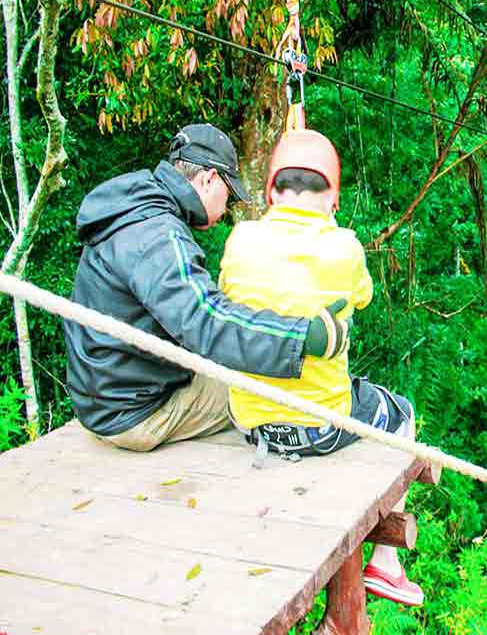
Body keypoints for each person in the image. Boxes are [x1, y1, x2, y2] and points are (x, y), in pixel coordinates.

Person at [218, 129, 424, 607]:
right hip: (319, 429)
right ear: (332, 196)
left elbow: (229, 290)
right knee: (401, 413)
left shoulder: (241, 238)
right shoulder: (345, 247)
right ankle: (386, 567)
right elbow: (363, 298)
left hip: (251, 425)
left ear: (271, 191)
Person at [63, 123, 350, 453]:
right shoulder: (157, 234)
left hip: (105, 396)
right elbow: (206, 321)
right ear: (209, 179)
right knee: (259, 394)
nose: (226, 210)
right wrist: (301, 337)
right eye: (228, 196)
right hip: (134, 413)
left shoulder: (135, 210)